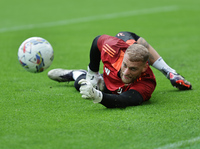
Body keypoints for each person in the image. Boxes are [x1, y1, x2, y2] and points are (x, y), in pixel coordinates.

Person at [48, 31, 192, 108]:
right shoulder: (113, 49)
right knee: (126, 37)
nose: (126, 72)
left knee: (81, 85)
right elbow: (97, 41)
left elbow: (123, 100)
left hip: (113, 87)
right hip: (114, 67)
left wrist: (97, 96)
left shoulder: (147, 83)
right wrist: (92, 72)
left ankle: (76, 74)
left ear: (144, 68)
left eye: (133, 69)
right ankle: (80, 74)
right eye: (125, 65)